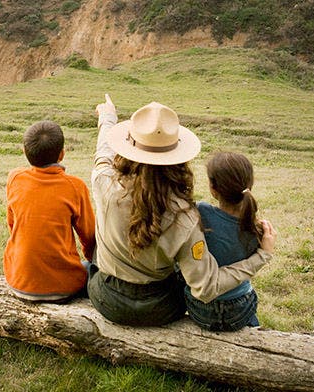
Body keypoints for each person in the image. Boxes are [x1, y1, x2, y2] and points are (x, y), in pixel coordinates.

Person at [88, 94, 277, 326]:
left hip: (107, 299)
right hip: (158, 308)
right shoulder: (186, 216)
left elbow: (103, 153)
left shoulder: (103, 182)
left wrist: (108, 117)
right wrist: (262, 257)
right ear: (177, 158)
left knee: (91, 265)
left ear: (128, 148)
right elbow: (206, 287)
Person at [3, 120, 96, 302]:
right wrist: (93, 261)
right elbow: (89, 236)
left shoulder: (15, 178)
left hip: (17, 281)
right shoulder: (75, 187)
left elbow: (13, 225)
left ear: (24, 151)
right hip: (63, 288)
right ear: (62, 154)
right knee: (90, 269)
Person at [185, 152, 266, 331]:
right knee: (247, 294)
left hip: (199, 309)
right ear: (249, 185)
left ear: (213, 188)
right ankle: (252, 326)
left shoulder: (201, 213)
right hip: (240, 308)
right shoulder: (257, 229)